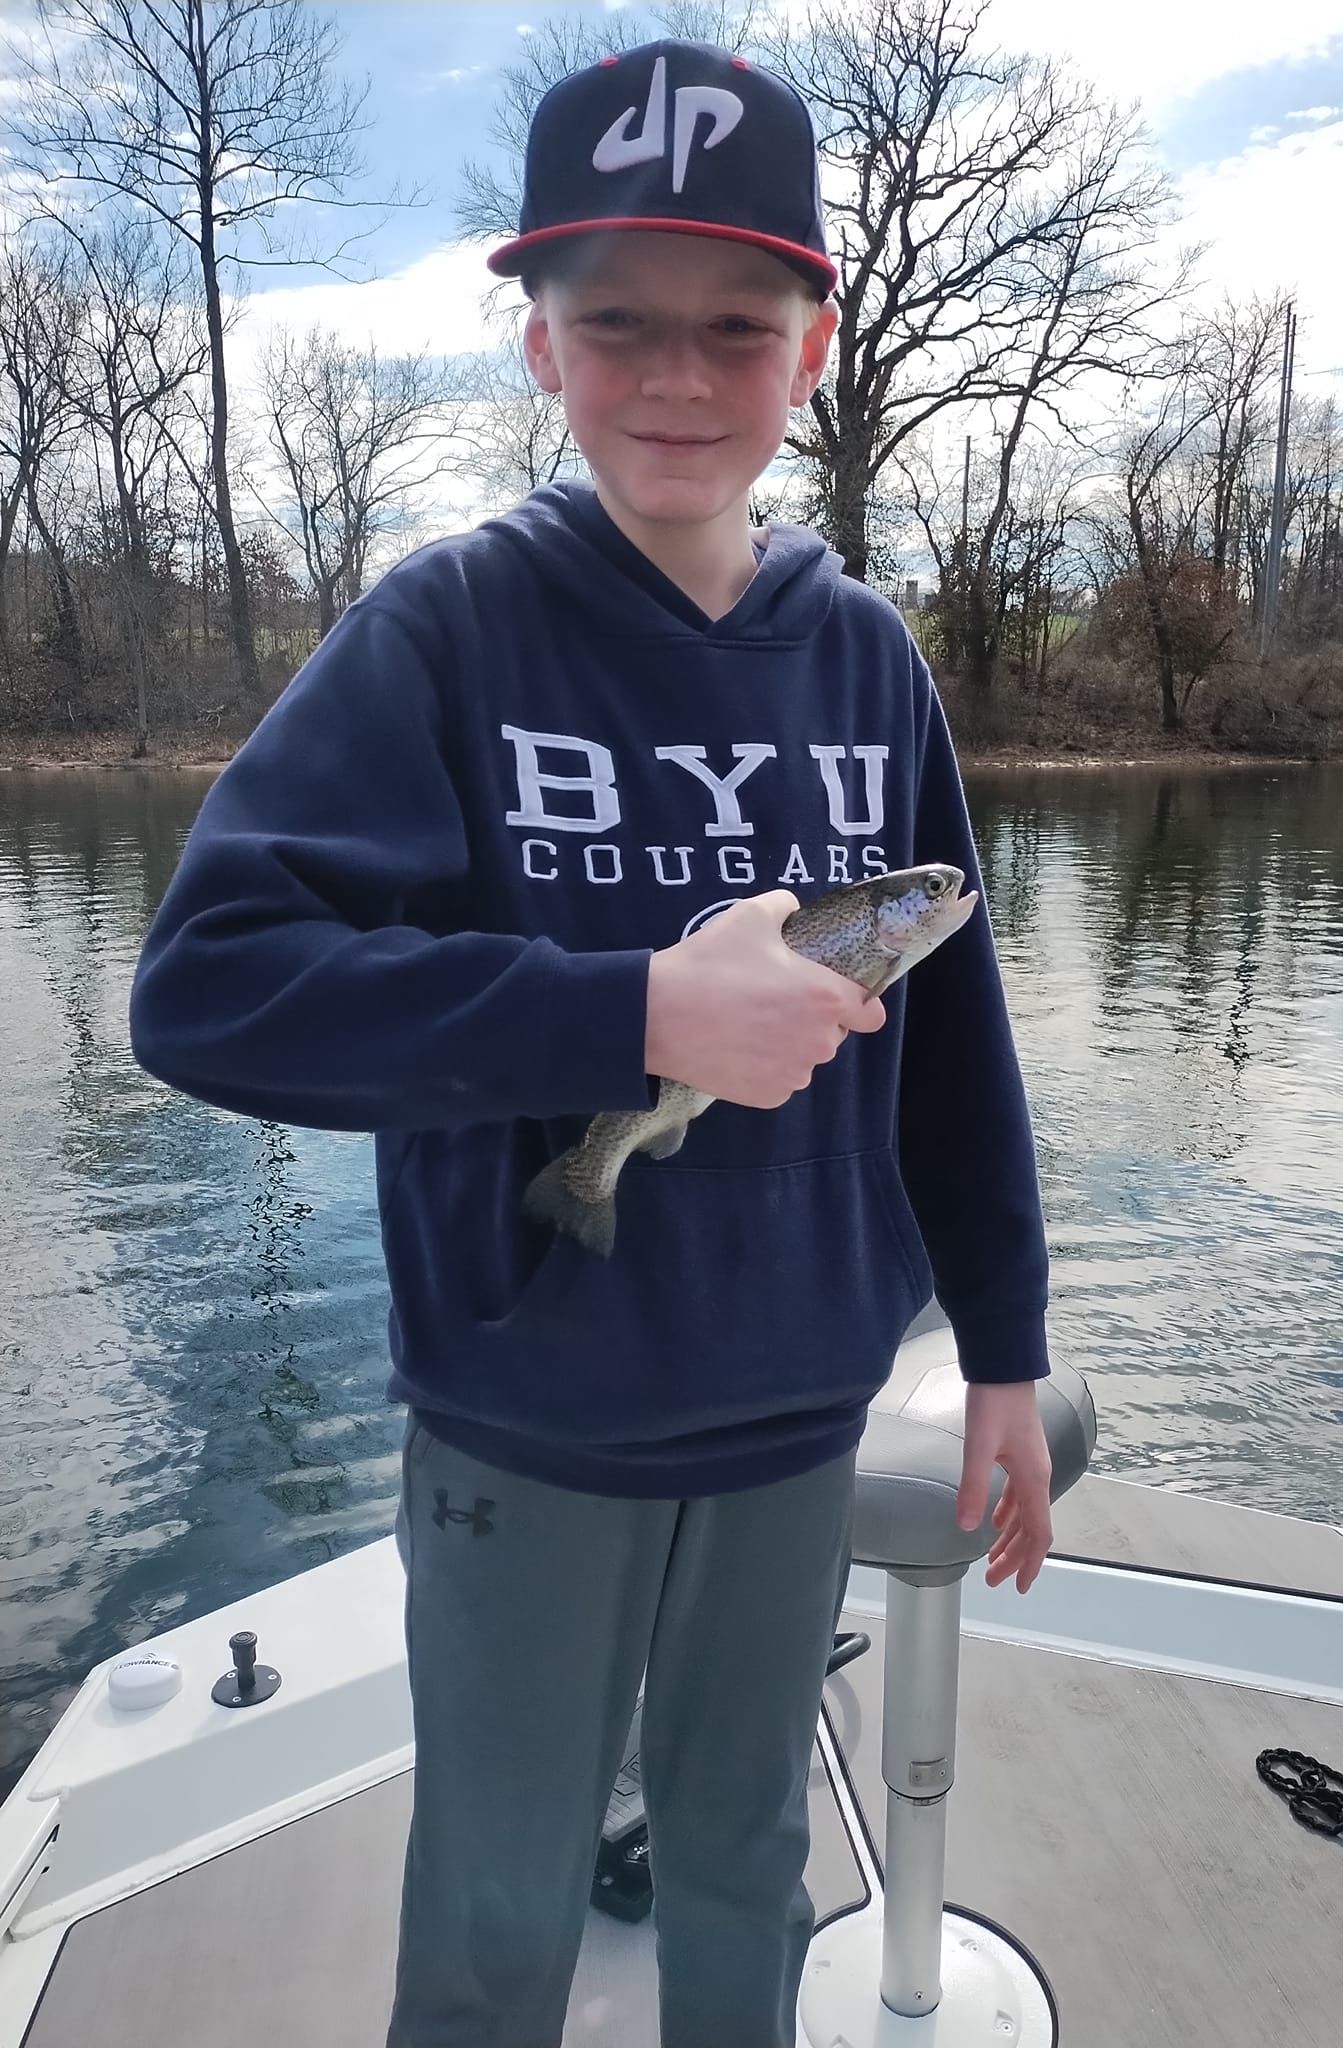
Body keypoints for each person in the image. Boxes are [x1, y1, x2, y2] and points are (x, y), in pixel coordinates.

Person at [128, 36, 1054, 2048]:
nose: (677, 376)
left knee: (745, 1859)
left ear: (812, 352)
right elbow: (208, 987)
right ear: (540, 345)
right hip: (526, 1420)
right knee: (497, 1899)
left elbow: (955, 1044)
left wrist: (1003, 1344)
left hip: (797, 1416)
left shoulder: (868, 662)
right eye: (618, 320)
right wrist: (628, 1010)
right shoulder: (443, 632)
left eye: (737, 327)